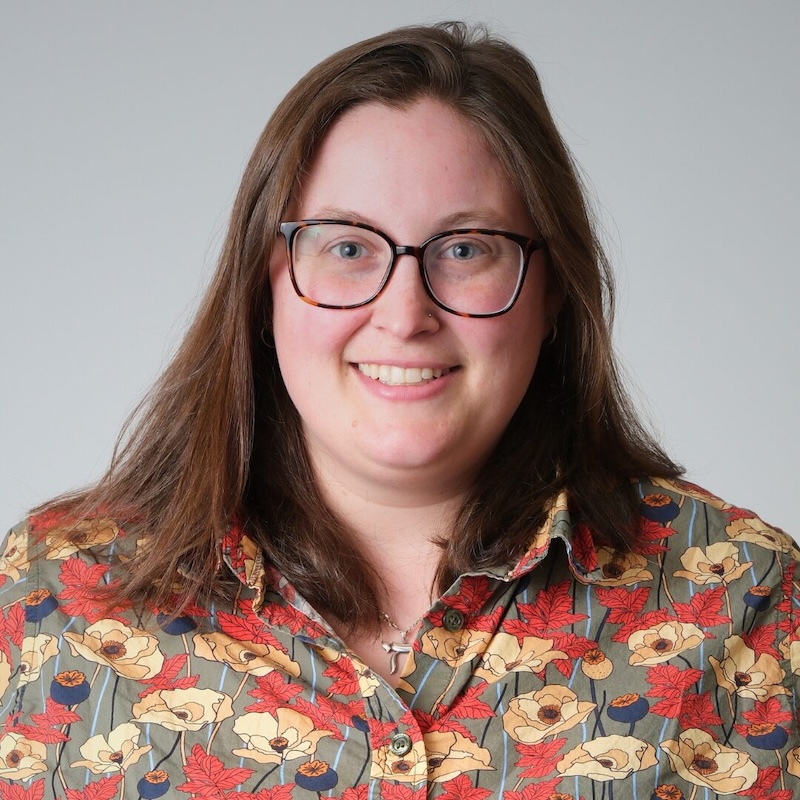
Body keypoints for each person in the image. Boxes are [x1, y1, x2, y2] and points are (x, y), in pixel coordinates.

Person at [1, 21, 797, 799]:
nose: (405, 313)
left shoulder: (749, 600)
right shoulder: (49, 601)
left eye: (466, 248)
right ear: (262, 284)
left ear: (553, 289)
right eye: (348, 247)